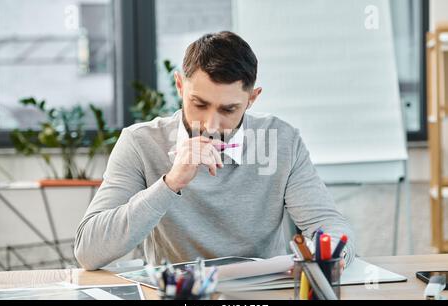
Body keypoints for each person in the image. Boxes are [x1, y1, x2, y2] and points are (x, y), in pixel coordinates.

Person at [74, 31, 355, 270]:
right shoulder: (139, 143)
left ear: (252, 99)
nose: (210, 124)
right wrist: (170, 183)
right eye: (199, 104)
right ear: (180, 86)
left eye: (228, 109)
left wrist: (332, 253)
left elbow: (327, 224)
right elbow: (89, 251)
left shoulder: (283, 140)